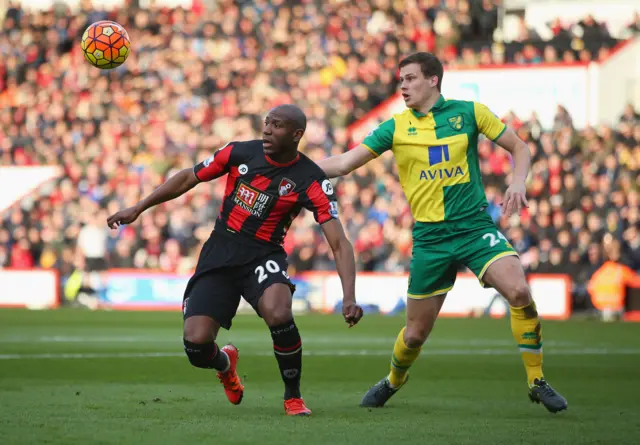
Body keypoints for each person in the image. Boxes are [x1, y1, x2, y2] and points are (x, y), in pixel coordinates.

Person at [318, 52, 567, 413]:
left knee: (519, 290)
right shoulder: (395, 127)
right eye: (400, 79)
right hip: (430, 239)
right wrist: (292, 170)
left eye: (410, 78)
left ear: (433, 80)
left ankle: (536, 380)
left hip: (473, 227)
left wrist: (517, 183)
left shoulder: (469, 112)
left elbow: (520, 147)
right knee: (416, 334)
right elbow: (343, 163)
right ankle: (393, 380)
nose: (402, 85)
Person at [107, 104, 364, 416]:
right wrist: (138, 207)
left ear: (297, 135)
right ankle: (225, 364)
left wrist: (349, 296)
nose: (267, 129)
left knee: (279, 311)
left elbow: (339, 243)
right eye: (267, 123)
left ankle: (293, 396)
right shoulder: (239, 153)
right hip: (222, 249)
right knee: (197, 345)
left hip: (264, 254)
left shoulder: (310, 179)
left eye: (278, 125)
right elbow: (189, 177)